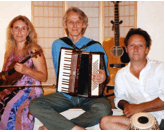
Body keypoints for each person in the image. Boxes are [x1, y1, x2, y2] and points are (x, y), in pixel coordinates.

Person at [29, 7, 112, 130]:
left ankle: (62, 126)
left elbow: (107, 75)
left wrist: (104, 77)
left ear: (84, 24)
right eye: (70, 22)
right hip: (65, 96)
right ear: (65, 24)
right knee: (35, 105)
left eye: (78, 22)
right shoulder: (58, 45)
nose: (74, 25)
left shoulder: (96, 46)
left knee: (104, 108)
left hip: (89, 96)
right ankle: (75, 129)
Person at [100, 28, 164, 130]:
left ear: (147, 49)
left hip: (161, 119)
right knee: (105, 122)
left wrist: (140, 107)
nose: (136, 49)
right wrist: (126, 106)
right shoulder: (121, 74)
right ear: (126, 49)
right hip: (137, 118)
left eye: (140, 45)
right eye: (132, 45)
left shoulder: (159, 68)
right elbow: (119, 98)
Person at [0, 15, 48, 130]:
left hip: (30, 90)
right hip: (12, 89)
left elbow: (44, 77)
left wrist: (26, 70)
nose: (19, 32)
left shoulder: (34, 49)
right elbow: (5, 76)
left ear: (28, 32)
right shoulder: (9, 52)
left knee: (11, 106)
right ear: (11, 31)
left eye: (23, 28)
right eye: (16, 28)